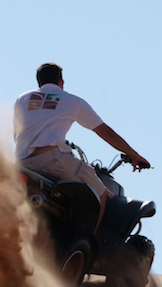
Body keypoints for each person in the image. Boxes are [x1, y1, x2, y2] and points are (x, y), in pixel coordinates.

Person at [14, 62, 149, 227]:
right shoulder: (71, 101)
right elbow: (106, 132)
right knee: (101, 193)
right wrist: (134, 155)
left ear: (39, 82)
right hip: (53, 160)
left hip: (23, 162)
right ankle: (89, 245)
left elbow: (17, 134)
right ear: (61, 82)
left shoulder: (23, 99)